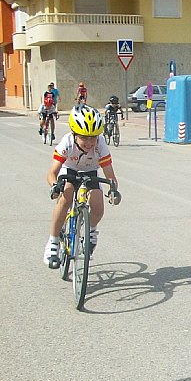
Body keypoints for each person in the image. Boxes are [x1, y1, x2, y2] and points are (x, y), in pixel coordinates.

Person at [43, 105, 120, 268]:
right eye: (85, 138)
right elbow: (52, 173)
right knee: (66, 196)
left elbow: (110, 174)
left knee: (97, 204)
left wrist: (113, 190)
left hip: (90, 171)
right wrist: (55, 186)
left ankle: (90, 231)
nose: (90, 143)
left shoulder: (100, 144)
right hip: (69, 170)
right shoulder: (67, 142)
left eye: (93, 137)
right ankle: (53, 242)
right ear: (74, 133)